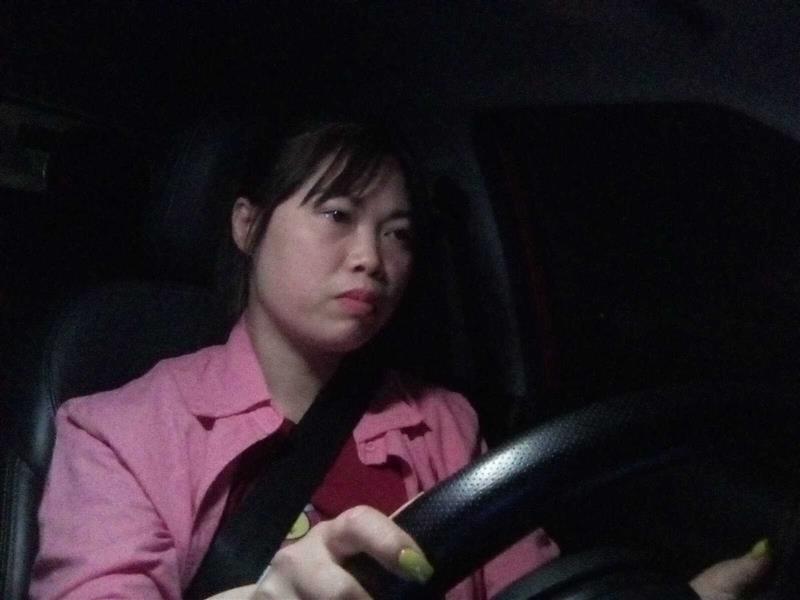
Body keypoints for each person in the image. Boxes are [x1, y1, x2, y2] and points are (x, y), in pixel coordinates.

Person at [30, 120, 770, 600]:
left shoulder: (441, 421)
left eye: (398, 233)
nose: (372, 259)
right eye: (338, 214)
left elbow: (530, 589)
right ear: (248, 225)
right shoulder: (118, 430)